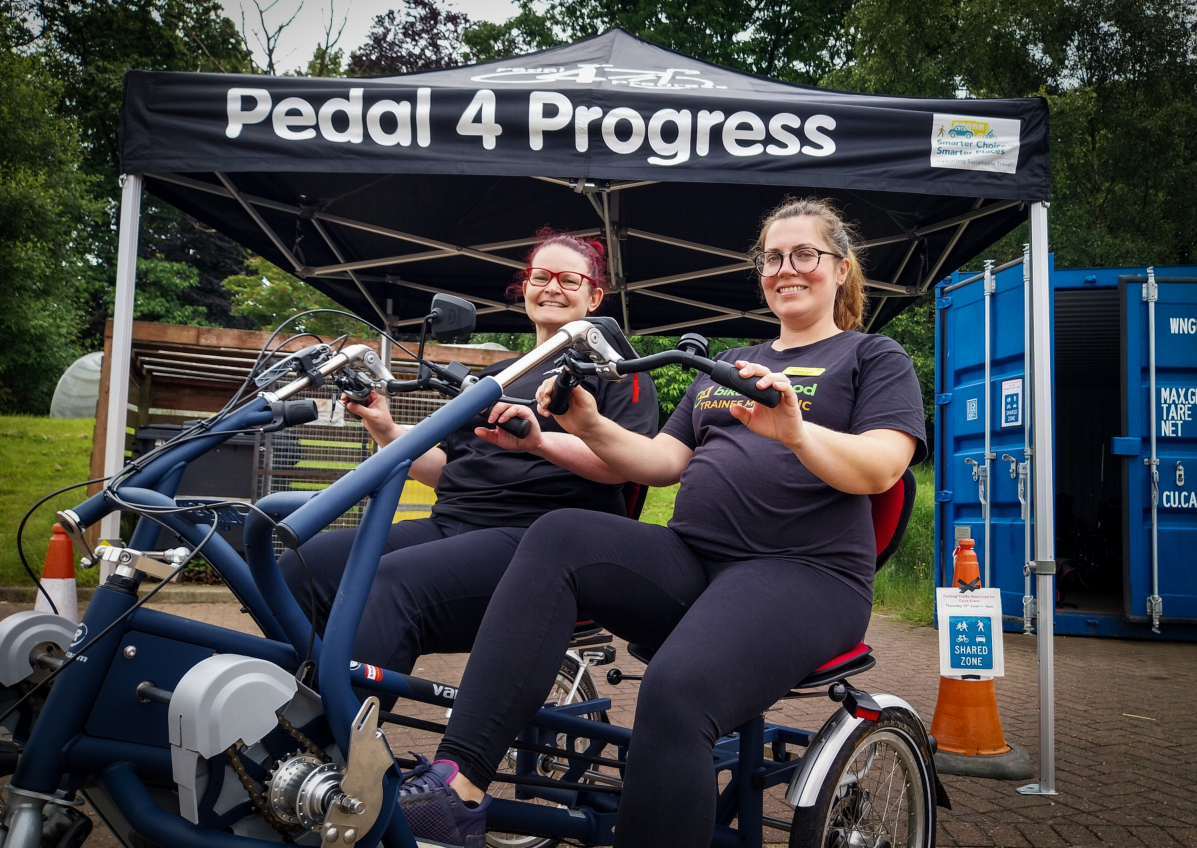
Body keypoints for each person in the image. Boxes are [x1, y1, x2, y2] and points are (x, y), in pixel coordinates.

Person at [393, 198, 928, 848]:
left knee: (675, 690)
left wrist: (794, 432)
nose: (786, 269)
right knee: (560, 533)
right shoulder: (726, 365)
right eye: (772, 257)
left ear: (839, 269)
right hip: (696, 562)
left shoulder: (871, 357)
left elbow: (880, 468)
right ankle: (458, 786)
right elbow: (657, 462)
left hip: (807, 574)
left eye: (804, 255)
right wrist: (584, 422)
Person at [278, 230, 658, 683]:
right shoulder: (496, 376)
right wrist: (386, 428)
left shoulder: (618, 374)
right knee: (301, 566)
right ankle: (294, 701)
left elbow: (622, 468)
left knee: (388, 583)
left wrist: (539, 441)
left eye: (569, 280)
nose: (552, 287)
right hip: (452, 523)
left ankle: (338, 739)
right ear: (525, 289)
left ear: (594, 297)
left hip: (535, 537)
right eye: (541, 276)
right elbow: (448, 470)